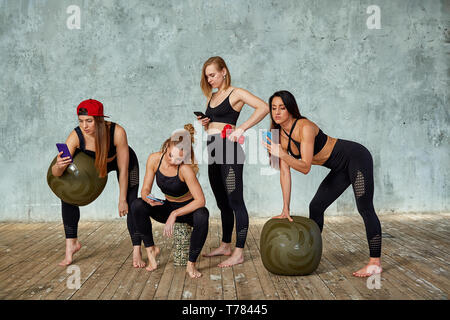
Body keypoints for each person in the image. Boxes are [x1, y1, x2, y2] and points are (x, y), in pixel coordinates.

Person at [262, 90, 382, 277]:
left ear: (291, 109)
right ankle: (309, 252)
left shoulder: (305, 127)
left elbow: (305, 167)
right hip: (340, 168)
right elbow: (285, 173)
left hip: (356, 157)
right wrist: (285, 207)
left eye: (282, 108)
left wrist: (282, 154)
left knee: (365, 208)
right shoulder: (278, 135)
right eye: (273, 108)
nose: (277, 112)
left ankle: (375, 263)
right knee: (316, 206)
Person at [51, 99, 144, 267]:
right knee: (67, 193)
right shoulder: (76, 136)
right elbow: (57, 175)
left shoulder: (117, 132)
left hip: (124, 163)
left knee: (132, 203)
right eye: (81, 120)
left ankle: (137, 248)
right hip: (95, 166)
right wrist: (58, 166)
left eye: (89, 120)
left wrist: (122, 199)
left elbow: (123, 170)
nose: (84, 125)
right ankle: (71, 244)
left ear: (99, 120)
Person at [197, 56, 269, 267]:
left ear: (224, 71)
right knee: (222, 202)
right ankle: (226, 245)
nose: (209, 79)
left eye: (212, 75)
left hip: (229, 150)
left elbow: (263, 107)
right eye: (207, 76)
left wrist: (241, 129)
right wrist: (206, 123)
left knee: (236, 201)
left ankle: (238, 252)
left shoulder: (235, 93)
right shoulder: (213, 96)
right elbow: (215, 124)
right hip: (213, 150)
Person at [131, 124, 209, 278]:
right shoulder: (154, 159)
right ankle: (151, 249)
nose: (173, 161)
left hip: (188, 210)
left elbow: (200, 201)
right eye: (170, 156)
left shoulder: (186, 169)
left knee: (203, 215)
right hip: (167, 206)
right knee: (137, 204)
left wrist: (175, 213)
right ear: (167, 146)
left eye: (179, 158)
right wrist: (149, 198)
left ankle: (191, 264)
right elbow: (145, 189)